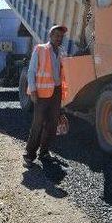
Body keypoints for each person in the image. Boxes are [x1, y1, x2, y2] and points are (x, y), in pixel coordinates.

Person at [23, 25, 68, 166]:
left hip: (56, 92)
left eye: (61, 36)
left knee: (52, 124)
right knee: (38, 124)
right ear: (50, 36)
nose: (59, 38)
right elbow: (31, 71)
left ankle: (44, 152)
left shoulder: (61, 52)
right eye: (57, 36)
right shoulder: (40, 49)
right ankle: (29, 155)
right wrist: (33, 91)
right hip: (41, 94)